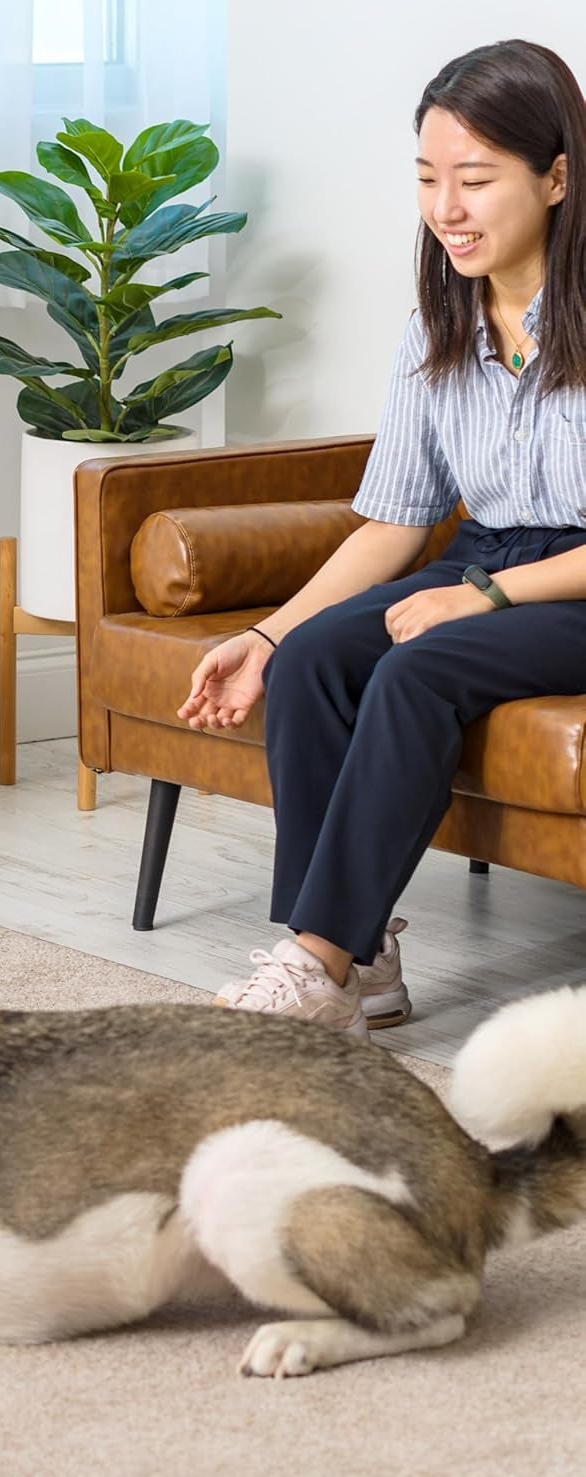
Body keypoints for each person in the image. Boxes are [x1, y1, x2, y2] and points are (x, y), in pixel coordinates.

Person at [178, 38, 586, 1037]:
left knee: (418, 667)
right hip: (489, 555)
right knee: (317, 660)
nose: (448, 207)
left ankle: (318, 965)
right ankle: (367, 962)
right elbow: (398, 518)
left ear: (558, 176)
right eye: (429, 179)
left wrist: (481, 597)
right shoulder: (438, 332)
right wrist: (269, 636)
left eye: (477, 180)